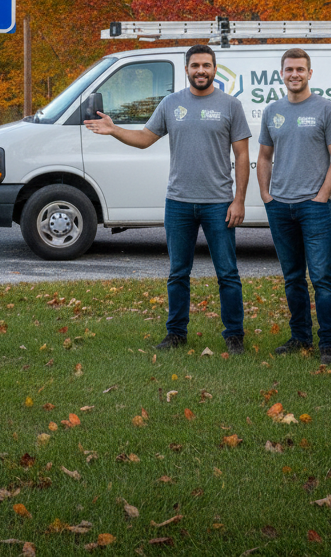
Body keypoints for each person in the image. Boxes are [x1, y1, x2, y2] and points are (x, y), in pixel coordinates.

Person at [85, 44, 251, 354]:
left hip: (218, 203)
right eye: (195, 65)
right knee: (178, 272)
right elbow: (145, 140)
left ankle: (234, 336)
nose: (201, 70)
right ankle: (176, 334)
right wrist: (113, 129)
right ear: (187, 69)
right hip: (178, 203)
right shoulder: (171, 104)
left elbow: (242, 155)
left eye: (206, 65)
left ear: (215, 69)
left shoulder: (231, 105)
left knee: (227, 273)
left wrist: (238, 199)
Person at [257, 48, 331, 364]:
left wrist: (322, 195)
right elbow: (264, 157)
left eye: (300, 69)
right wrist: (266, 196)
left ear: (310, 73)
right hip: (280, 205)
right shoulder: (272, 111)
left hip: (314, 206)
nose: (294, 74)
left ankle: (329, 344)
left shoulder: (326, 110)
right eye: (289, 69)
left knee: (321, 276)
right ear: (281, 74)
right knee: (292, 276)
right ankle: (300, 337)